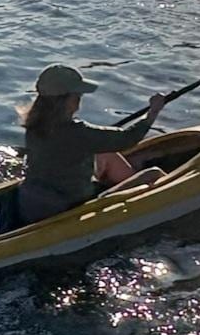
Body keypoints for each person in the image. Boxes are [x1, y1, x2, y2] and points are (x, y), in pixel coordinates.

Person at [16, 66, 168, 226]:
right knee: (154, 174)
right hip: (70, 206)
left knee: (105, 154)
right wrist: (153, 112)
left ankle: (130, 178)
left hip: (32, 203)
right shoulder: (78, 133)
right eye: (78, 95)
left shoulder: (33, 125)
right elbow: (127, 138)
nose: (79, 99)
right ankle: (142, 191)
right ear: (69, 101)